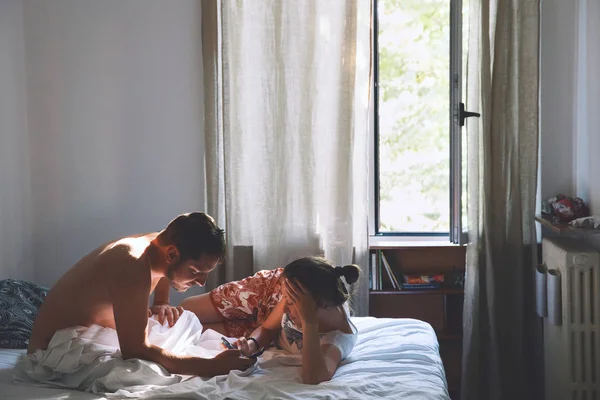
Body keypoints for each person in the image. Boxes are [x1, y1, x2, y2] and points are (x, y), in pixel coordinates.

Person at [27, 212, 256, 377]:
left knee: (184, 321)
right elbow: (134, 350)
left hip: (103, 330)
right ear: (172, 254)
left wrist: (162, 302)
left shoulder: (157, 243)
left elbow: (162, 272)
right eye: (195, 272)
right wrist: (210, 367)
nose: (201, 282)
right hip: (58, 348)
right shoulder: (132, 263)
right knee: (141, 373)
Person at [156, 256, 360, 384]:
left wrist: (309, 323)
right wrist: (253, 344)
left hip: (259, 321)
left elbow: (314, 376)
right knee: (186, 311)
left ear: (320, 305)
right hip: (265, 292)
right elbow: (268, 328)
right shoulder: (293, 295)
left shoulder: (338, 337)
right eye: (288, 303)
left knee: (191, 327)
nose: (288, 311)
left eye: (293, 305)